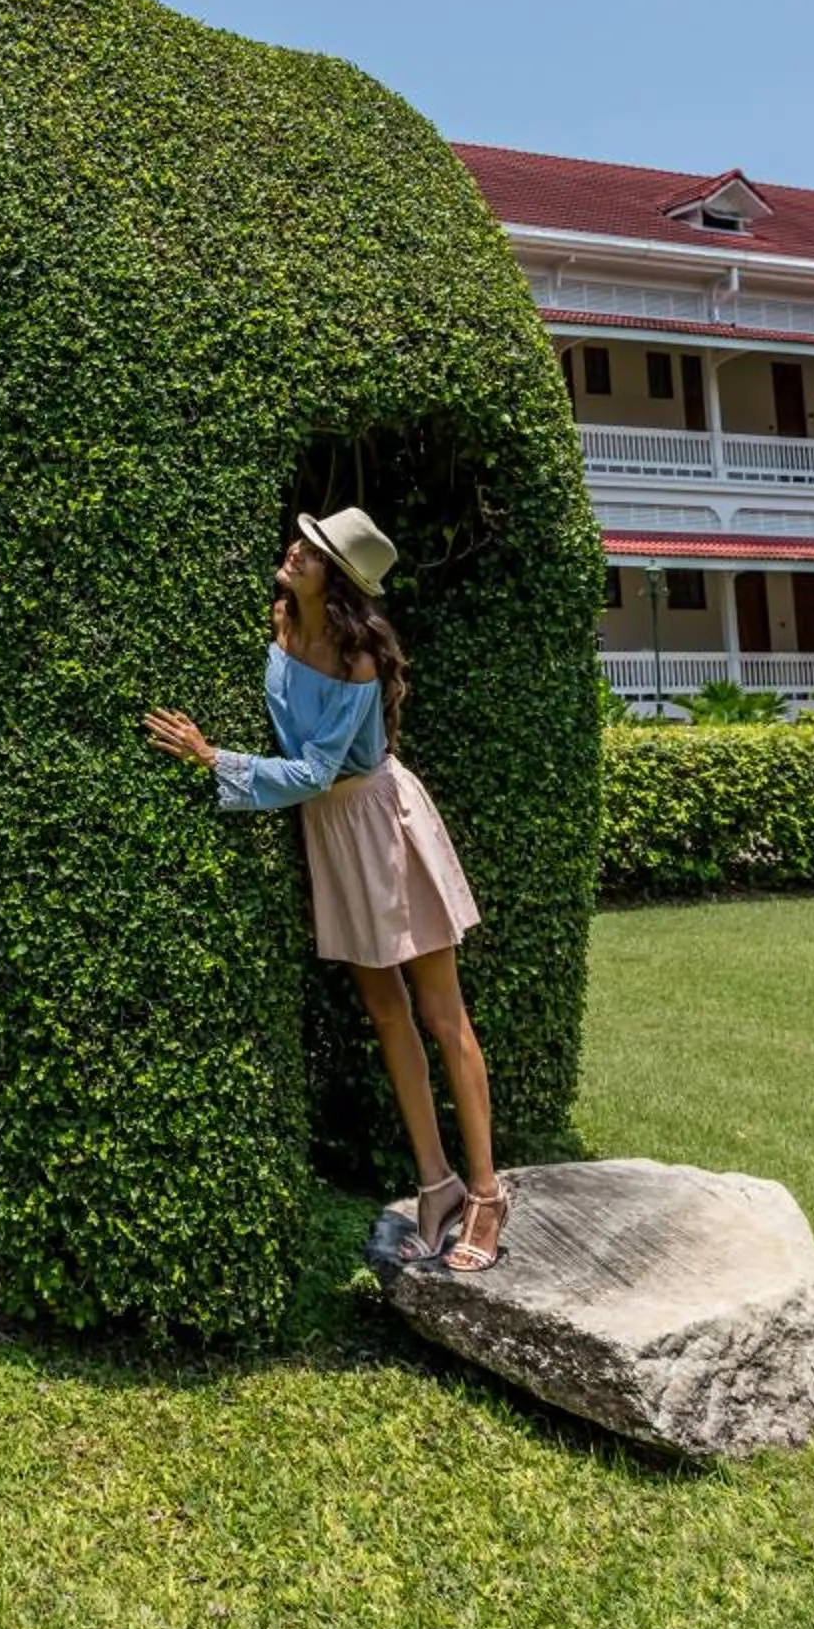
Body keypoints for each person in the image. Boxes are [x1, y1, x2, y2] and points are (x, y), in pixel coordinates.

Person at [143, 506, 512, 1273]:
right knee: (385, 1014)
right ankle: (435, 1183)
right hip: (332, 832)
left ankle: (485, 1192)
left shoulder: (357, 662)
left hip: (383, 825)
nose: (295, 553)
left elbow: (314, 769)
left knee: (445, 1018)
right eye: (301, 543)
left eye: (312, 553)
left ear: (338, 580)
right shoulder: (280, 622)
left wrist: (214, 759)